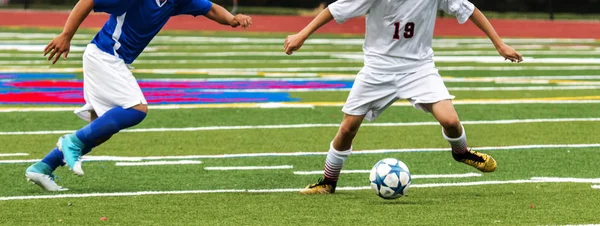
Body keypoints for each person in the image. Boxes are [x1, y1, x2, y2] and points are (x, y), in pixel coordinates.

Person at [284, 0, 523, 194]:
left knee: (450, 121)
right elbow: (334, 10)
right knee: (347, 128)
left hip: (419, 69)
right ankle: (328, 181)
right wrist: (301, 35)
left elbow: (470, 9)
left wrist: (499, 44)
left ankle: (461, 153)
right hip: (377, 70)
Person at [25, 0, 252, 191]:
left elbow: (209, 8)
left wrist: (232, 19)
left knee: (101, 130)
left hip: (111, 59)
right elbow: (89, 0)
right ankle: (70, 143)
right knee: (137, 109)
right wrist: (66, 35)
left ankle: (43, 167)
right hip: (104, 56)